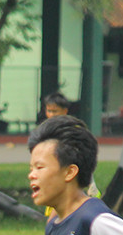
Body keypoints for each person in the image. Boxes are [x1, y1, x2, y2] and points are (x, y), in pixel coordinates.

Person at [39, 91, 99, 223]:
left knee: (58, 217)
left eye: (55, 111)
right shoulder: (47, 131)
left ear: (65, 111)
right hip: (55, 177)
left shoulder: (73, 130)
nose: (52, 115)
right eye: (49, 111)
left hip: (69, 178)